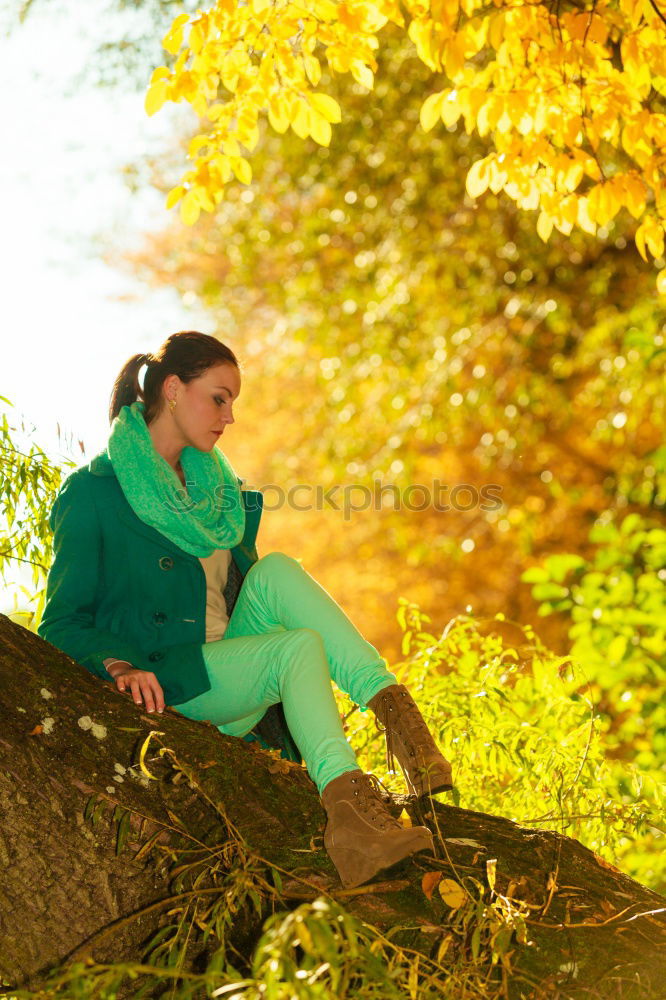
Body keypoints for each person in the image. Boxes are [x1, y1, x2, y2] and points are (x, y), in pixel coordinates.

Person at [39, 331, 453, 889]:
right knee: (296, 648)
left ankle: (399, 721)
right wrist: (117, 664)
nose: (229, 416)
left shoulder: (218, 494)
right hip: (173, 683)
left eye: (233, 402)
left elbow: (239, 594)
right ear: (173, 389)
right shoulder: (92, 494)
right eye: (219, 397)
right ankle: (351, 818)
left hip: (230, 667)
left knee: (277, 569)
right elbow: (60, 622)